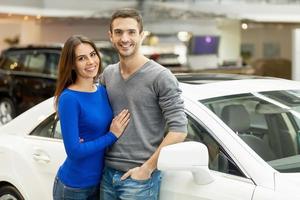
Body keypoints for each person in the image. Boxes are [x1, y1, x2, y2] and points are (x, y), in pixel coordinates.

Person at [100, 8, 188, 200]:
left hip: (139, 180)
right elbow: (95, 112)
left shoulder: (161, 77)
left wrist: (147, 168)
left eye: (131, 32)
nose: (125, 38)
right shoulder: (108, 74)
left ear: (142, 35)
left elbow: (179, 129)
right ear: (111, 36)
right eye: (119, 32)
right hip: (106, 174)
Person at [53, 35, 130, 200]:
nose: (90, 61)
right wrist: (112, 135)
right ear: (72, 65)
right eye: (82, 58)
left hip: (101, 183)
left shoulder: (101, 90)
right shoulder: (69, 98)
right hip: (74, 187)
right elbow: (74, 151)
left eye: (92, 54)